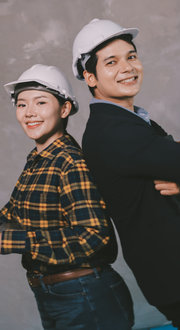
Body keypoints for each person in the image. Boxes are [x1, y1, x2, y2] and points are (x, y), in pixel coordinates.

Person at [0, 64, 134, 329]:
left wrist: (10, 241)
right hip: (54, 294)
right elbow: (13, 213)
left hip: (85, 294)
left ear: (65, 109)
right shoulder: (39, 159)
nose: (29, 113)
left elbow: (93, 235)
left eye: (41, 102)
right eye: (21, 105)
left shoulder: (70, 162)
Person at [72, 18, 180, 329]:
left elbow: (168, 159)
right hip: (173, 273)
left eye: (131, 56)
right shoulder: (112, 132)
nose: (128, 67)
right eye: (111, 62)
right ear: (90, 77)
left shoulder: (131, 120)